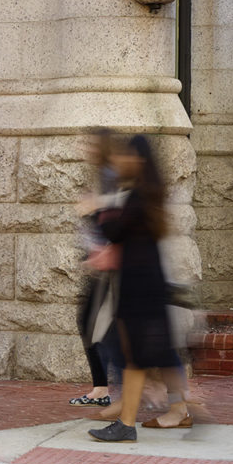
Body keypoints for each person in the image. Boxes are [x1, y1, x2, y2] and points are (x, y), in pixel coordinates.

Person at [87, 134, 190, 442]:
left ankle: (128, 424)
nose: (119, 161)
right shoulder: (148, 193)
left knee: (137, 359)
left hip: (139, 288)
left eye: (125, 156)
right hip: (145, 285)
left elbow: (114, 232)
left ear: (139, 160)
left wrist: (94, 209)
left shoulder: (139, 196)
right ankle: (175, 410)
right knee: (154, 355)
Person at [71, 127, 122, 411]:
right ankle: (102, 387)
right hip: (102, 260)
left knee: (93, 323)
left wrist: (94, 206)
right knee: (96, 323)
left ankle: (107, 389)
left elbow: (119, 213)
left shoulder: (111, 175)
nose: (85, 149)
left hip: (109, 264)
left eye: (90, 144)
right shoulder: (104, 174)